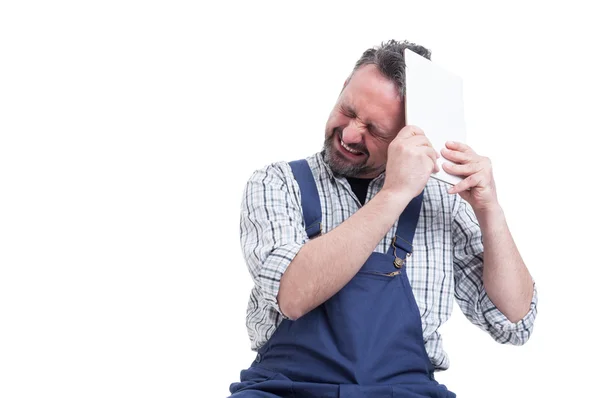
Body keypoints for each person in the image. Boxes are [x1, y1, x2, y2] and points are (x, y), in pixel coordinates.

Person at [228, 40, 537, 398]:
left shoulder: (443, 201)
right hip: (286, 389)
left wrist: (490, 211)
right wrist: (394, 194)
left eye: (375, 130)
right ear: (344, 86)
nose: (350, 134)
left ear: (414, 135)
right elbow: (292, 296)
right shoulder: (278, 183)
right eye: (348, 110)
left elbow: (514, 321)